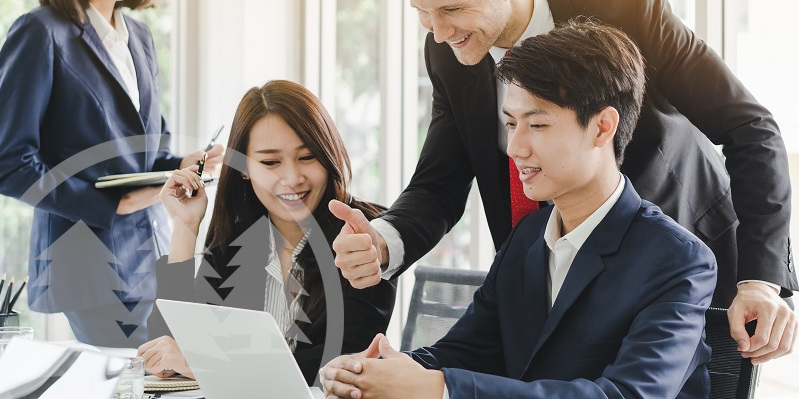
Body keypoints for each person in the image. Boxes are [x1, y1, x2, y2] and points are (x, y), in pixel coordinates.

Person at [329, 0, 798, 364]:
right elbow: (440, 182)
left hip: (680, 262)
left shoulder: (625, 10)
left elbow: (749, 128)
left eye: (451, 7)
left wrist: (760, 279)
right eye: (421, 10)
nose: (437, 30)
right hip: (551, 277)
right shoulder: (448, 51)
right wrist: (384, 240)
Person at [137, 80, 396, 385]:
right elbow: (165, 352)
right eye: (271, 162)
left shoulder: (364, 234)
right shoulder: (237, 235)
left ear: (328, 155)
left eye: (307, 157)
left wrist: (209, 363)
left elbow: (344, 363)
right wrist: (185, 227)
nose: (292, 177)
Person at [0, 0, 223, 346]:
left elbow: (145, 151)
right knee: (146, 371)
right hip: (92, 265)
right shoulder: (41, 31)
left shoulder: (139, 35)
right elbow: (9, 162)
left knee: (172, 367)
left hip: (153, 257)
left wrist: (181, 166)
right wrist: (108, 204)